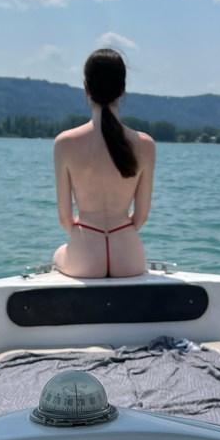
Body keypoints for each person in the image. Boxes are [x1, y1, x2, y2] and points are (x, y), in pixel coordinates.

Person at [53, 48, 155, 278]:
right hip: (129, 254)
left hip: (85, 253)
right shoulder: (146, 144)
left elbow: (65, 218)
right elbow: (141, 216)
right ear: (122, 90)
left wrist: (88, 241)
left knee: (58, 254)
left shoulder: (65, 143)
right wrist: (119, 236)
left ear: (86, 88)